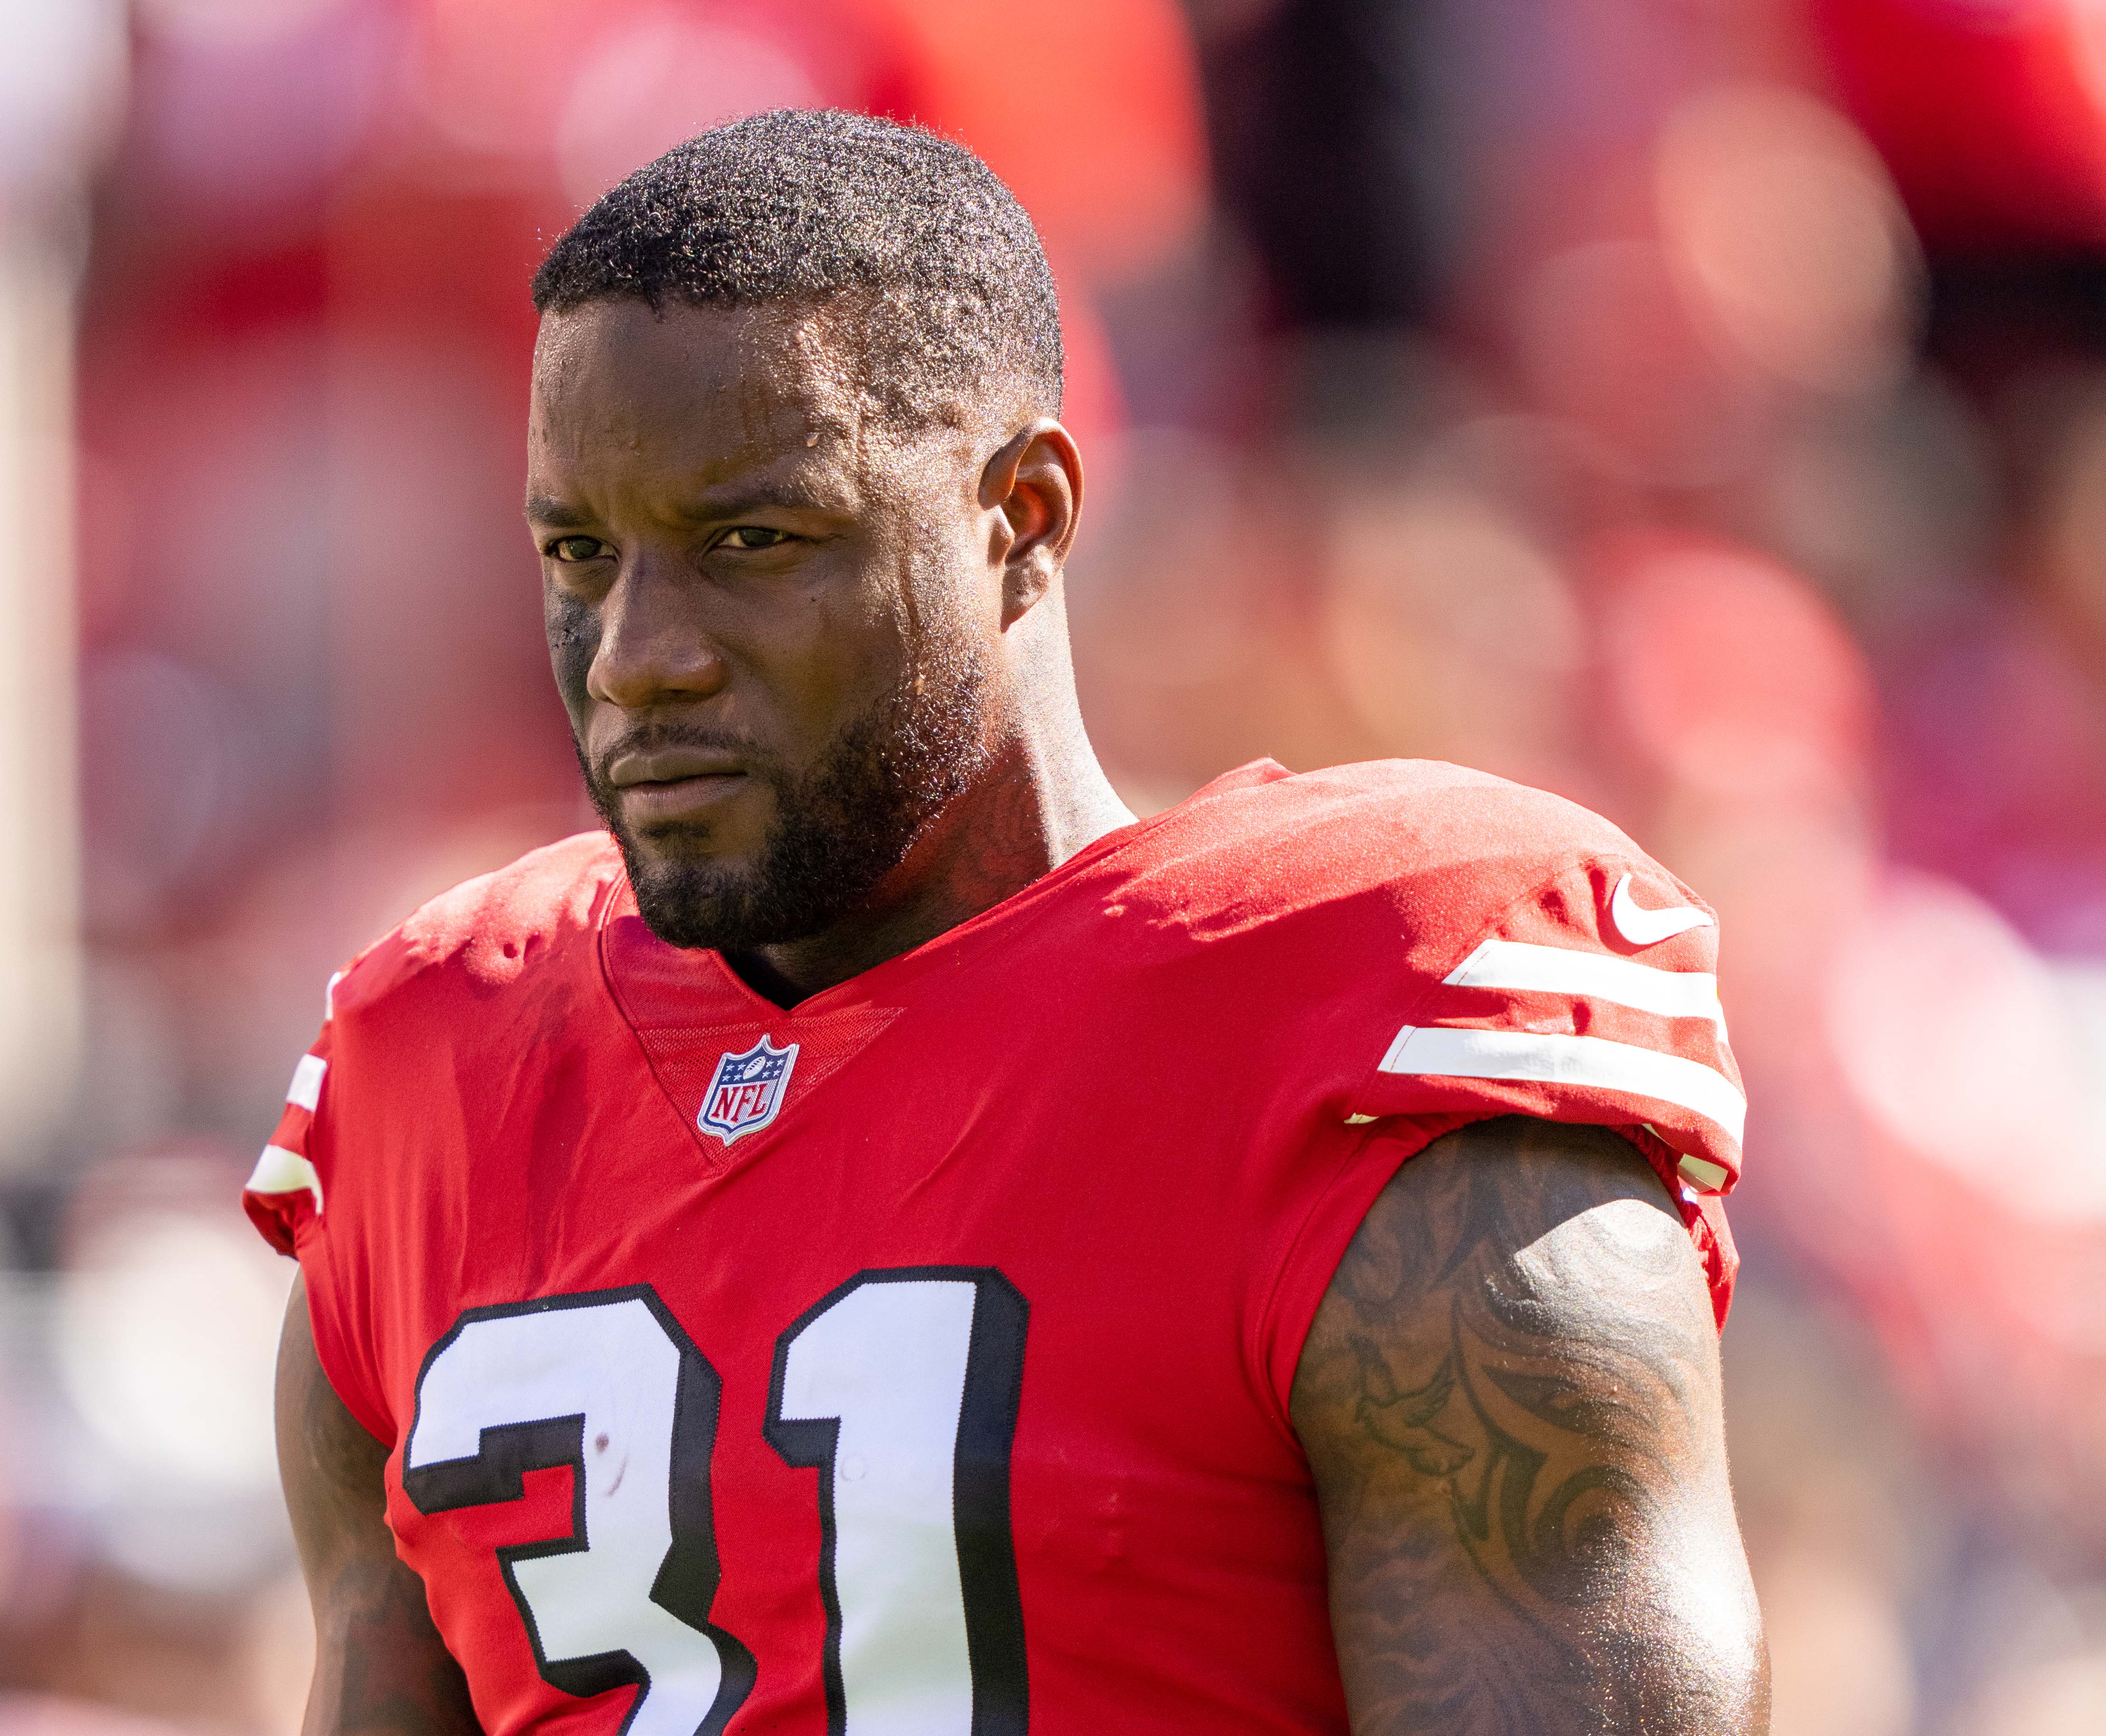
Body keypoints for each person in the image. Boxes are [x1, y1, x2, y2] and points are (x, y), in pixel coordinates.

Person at [247, 110, 1766, 1736]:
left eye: (751, 542)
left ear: (1022, 517)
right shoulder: (437, 1071)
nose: (637, 655)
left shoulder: (1359, 1003)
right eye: (578, 554)